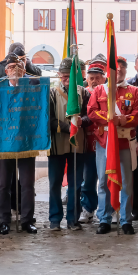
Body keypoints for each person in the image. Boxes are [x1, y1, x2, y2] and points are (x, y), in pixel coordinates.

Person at [87, 56, 138, 235]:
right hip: (105, 142)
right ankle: (104, 219)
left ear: (126, 70)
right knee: (103, 182)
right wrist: (109, 119)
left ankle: (126, 220)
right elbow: (91, 111)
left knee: (127, 182)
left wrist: (123, 120)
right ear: (109, 71)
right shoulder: (99, 90)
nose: (118, 71)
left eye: (121, 68)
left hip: (125, 142)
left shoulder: (134, 91)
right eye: (115, 68)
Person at [0, 53, 39, 235]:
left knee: (27, 184)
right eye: (12, 67)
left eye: (19, 66)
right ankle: (4, 220)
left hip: (26, 143)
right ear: (6, 71)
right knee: (3, 184)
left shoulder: (33, 87)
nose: (15, 70)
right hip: (4, 143)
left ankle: (27, 220)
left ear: (24, 69)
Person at [48, 57, 89, 231]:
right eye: (64, 75)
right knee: (54, 184)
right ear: (59, 75)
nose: (66, 79)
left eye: (69, 76)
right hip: (56, 145)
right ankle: (55, 219)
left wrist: (82, 121)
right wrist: (68, 128)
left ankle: (73, 219)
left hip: (78, 145)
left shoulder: (84, 93)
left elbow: (90, 115)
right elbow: (49, 119)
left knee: (76, 184)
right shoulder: (51, 93)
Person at [78, 54, 105, 224]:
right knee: (88, 179)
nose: (94, 81)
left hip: (106, 141)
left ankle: (107, 210)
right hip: (88, 143)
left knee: (106, 179)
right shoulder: (83, 94)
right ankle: (88, 208)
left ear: (104, 78)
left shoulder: (108, 93)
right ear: (87, 80)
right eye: (91, 78)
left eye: (97, 78)